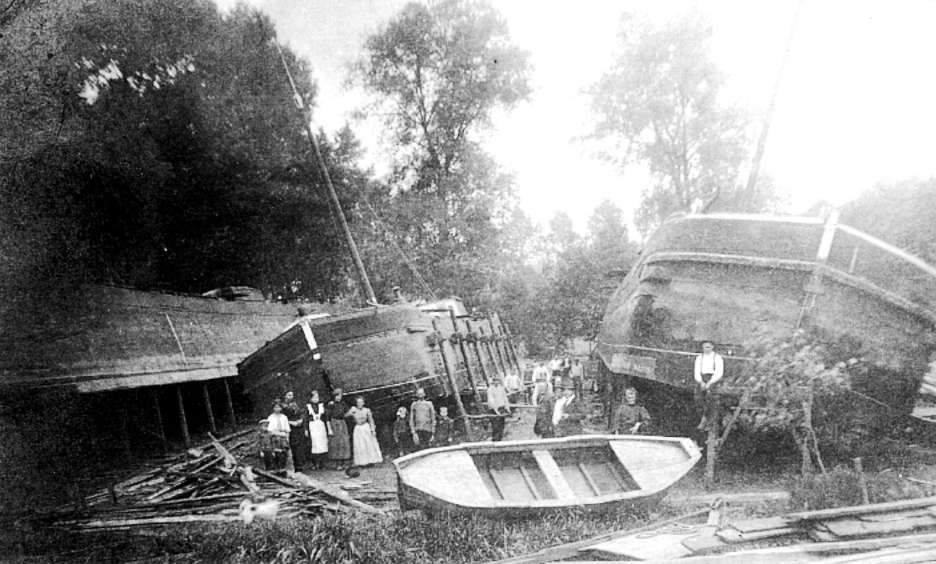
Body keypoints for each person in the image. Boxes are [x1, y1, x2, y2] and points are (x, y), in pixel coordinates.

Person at [694, 340, 725, 430]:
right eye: (704, 347)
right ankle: (703, 418)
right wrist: (701, 382)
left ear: (712, 347)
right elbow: (696, 371)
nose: (706, 349)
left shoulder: (717, 358)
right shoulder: (699, 358)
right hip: (702, 379)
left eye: (708, 347)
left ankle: (707, 422)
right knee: (698, 399)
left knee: (710, 399)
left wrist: (710, 383)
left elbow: (719, 372)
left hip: (713, 379)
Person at [348, 396, 383, 466]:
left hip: (365, 427)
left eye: (361, 402)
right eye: (358, 402)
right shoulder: (354, 410)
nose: (360, 404)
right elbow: (345, 416)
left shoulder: (367, 410)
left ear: (363, 403)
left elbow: (371, 421)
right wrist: (350, 411)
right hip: (358, 428)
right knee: (360, 445)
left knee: (369, 444)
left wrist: (373, 430)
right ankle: (362, 462)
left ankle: (371, 461)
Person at [326, 388, 351, 470]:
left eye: (340, 396)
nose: (338, 398)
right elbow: (327, 418)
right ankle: (337, 464)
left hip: (342, 423)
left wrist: (351, 412)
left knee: (344, 442)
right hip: (334, 423)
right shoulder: (331, 405)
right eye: (336, 396)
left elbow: (346, 414)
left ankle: (344, 463)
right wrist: (329, 429)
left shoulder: (343, 404)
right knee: (336, 443)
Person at [282, 391, 305, 471]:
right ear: (285, 396)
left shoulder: (296, 405)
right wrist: (291, 422)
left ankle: (299, 466)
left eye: (292, 395)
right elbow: (282, 417)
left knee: (298, 447)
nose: (291, 396)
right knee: (289, 446)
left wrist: (301, 420)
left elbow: (301, 413)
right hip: (288, 427)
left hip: (297, 428)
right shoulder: (283, 406)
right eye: (289, 395)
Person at [265, 401, 291, 473]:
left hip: (283, 437)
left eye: (279, 407)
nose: (277, 409)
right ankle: (276, 470)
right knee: (276, 454)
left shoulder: (284, 417)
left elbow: (287, 429)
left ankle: (282, 469)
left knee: (284, 454)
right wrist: (279, 433)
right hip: (275, 438)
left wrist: (287, 437)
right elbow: (270, 431)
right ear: (273, 408)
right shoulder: (270, 418)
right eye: (275, 407)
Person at [306, 390, 328, 470]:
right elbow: (306, 418)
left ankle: (322, 463)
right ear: (310, 398)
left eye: (317, 397)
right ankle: (315, 463)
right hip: (313, 426)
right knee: (315, 444)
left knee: (322, 444)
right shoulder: (308, 406)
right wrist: (306, 429)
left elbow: (325, 417)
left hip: (320, 426)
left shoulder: (321, 406)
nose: (316, 399)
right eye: (314, 397)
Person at [486, 376, 510, 441]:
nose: (496, 382)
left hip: (501, 408)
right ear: (493, 382)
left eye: (498, 381)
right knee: (495, 426)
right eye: (495, 381)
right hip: (493, 409)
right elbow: (491, 400)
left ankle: (500, 439)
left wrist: (507, 408)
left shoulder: (501, 388)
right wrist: (496, 410)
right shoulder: (490, 389)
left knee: (501, 425)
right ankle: (495, 440)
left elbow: (505, 398)